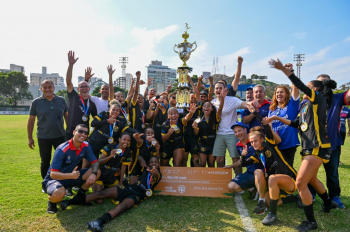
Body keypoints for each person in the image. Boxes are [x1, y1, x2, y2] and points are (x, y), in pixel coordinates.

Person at [267, 59, 337, 231]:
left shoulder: (317, 98)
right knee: (310, 179)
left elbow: (297, 84)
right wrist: (275, 118)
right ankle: (328, 204)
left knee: (300, 183)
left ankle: (310, 221)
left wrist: (283, 69)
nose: (305, 88)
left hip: (317, 147)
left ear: (314, 89)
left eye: (307, 86)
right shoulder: (306, 105)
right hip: (309, 148)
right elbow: (297, 123)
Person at [60, 157, 161, 232]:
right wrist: (143, 161)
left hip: (137, 195)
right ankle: (68, 202)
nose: (153, 163)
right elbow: (138, 156)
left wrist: (155, 172)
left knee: (123, 207)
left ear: (159, 163)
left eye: (156, 162)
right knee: (101, 193)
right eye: (151, 161)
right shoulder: (145, 169)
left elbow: (156, 174)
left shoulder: (158, 174)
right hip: (128, 188)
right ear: (149, 163)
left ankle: (99, 222)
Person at [241, 106, 298, 226]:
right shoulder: (257, 153)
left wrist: (255, 113)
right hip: (276, 183)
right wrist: (243, 156)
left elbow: (265, 125)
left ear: (262, 139)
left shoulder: (270, 144)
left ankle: (272, 215)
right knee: (268, 201)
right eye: (251, 142)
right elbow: (245, 163)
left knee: (272, 178)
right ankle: (294, 199)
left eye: (255, 141)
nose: (253, 143)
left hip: (290, 179)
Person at [41, 124, 100, 214]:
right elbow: (53, 174)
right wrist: (70, 175)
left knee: (97, 171)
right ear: (74, 132)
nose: (83, 134)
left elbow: (95, 162)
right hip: (54, 179)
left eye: (86, 133)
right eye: (80, 131)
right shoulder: (62, 149)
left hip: (72, 176)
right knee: (59, 193)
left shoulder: (86, 145)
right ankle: (52, 202)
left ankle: (79, 197)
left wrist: (94, 173)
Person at [315, 74, 350, 209]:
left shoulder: (337, 98)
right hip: (315, 145)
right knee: (311, 173)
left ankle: (335, 196)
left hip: (333, 144)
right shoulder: (312, 98)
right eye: (319, 83)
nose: (322, 85)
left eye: (325, 82)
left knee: (333, 173)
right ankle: (311, 194)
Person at [27, 80, 68, 179]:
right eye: (45, 87)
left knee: (63, 160)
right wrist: (30, 138)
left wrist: (70, 133)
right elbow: (31, 120)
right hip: (43, 136)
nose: (47, 89)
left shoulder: (61, 100)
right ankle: (46, 183)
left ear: (54, 88)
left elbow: (67, 117)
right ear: (41, 89)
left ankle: (63, 183)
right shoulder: (36, 102)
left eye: (50, 87)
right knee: (45, 161)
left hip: (60, 136)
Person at [211, 81, 248, 170]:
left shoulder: (232, 100)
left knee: (235, 158)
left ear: (225, 90)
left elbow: (244, 104)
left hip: (231, 133)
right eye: (217, 88)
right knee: (219, 159)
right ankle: (222, 180)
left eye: (221, 88)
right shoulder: (212, 102)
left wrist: (250, 105)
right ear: (214, 91)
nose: (218, 90)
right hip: (219, 134)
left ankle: (238, 179)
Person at [268, 63, 300, 166]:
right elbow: (270, 126)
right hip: (277, 144)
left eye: (281, 92)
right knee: (278, 169)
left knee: (288, 168)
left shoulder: (292, 104)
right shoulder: (272, 109)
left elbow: (296, 87)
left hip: (289, 143)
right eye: (277, 92)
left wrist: (290, 72)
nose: (279, 94)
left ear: (287, 94)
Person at [224, 122, 263, 198]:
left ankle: (262, 190)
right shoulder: (238, 145)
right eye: (235, 132)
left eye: (239, 130)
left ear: (245, 130)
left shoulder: (255, 140)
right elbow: (242, 161)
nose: (238, 133)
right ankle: (252, 188)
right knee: (231, 187)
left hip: (261, 172)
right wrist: (231, 166)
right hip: (249, 173)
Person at [65, 51, 97, 140]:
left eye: (86, 86)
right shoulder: (74, 97)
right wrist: (71, 65)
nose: (84, 88)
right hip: (71, 133)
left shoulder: (91, 104)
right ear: (78, 89)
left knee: (83, 154)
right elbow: (68, 81)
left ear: (89, 89)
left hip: (84, 134)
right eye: (81, 87)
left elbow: (96, 120)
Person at [92, 133, 132, 203]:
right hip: (100, 174)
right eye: (124, 139)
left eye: (128, 140)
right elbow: (99, 162)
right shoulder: (110, 147)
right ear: (119, 140)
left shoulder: (127, 151)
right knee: (99, 201)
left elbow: (123, 167)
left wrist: (121, 182)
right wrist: (110, 156)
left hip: (111, 177)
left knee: (121, 193)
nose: (126, 142)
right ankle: (99, 187)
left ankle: (105, 188)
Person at [192, 89, 227, 167]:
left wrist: (223, 99)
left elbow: (220, 109)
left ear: (212, 109)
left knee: (211, 164)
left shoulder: (215, 118)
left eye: (209, 106)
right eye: (205, 106)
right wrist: (195, 128)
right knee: (203, 163)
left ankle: (211, 179)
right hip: (202, 143)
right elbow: (196, 133)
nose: (206, 107)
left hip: (213, 143)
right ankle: (201, 178)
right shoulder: (198, 119)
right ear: (203, 109)